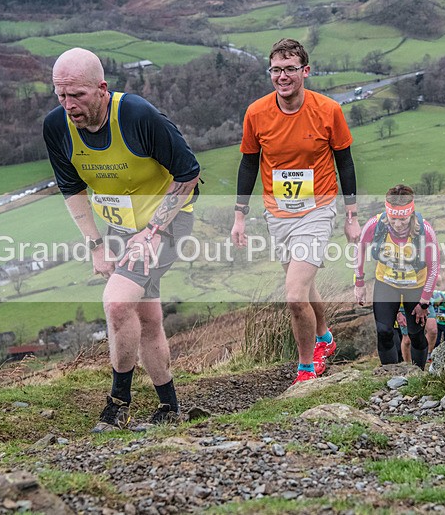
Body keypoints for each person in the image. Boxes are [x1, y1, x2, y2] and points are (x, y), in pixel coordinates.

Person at [43, 48, 201, 432]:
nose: (68, 105)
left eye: (76, 95)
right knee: (145, 316)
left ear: (102, 88)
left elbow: (189, 174)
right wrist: (96, 245)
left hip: (168, 223)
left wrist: (153, 232)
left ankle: (118, 405)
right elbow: (71, 189)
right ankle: (169, 408)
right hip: (120, 230)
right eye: (60, 95)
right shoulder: (56, 127)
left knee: (116, 303)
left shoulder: (136, 115)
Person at [231, 38, 359, 384]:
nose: (282, 76)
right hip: (278, 212)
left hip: (317, 210)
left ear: (305, 71)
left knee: (293, 295)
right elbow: (249, 164)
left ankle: (305, 368)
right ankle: (325, 337)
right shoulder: (256, 113)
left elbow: (344, 161)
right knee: (302, 284)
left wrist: (351, 216)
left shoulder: (328, 109)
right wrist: (240, 214)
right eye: (276, 70)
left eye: (289, 69)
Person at [354, 184, 439, 370]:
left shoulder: (425, 231)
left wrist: (424, 303)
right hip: (387, 284)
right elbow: (359, 248)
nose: (398, 224)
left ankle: (419, 373)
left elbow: (434, 268)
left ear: (411, 214)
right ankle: (390, 375)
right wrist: (359, 282)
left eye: (403, 219)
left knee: (415, 334)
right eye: (393, 218)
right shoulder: (376, 225)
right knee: (384, 331)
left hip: (414, 287)